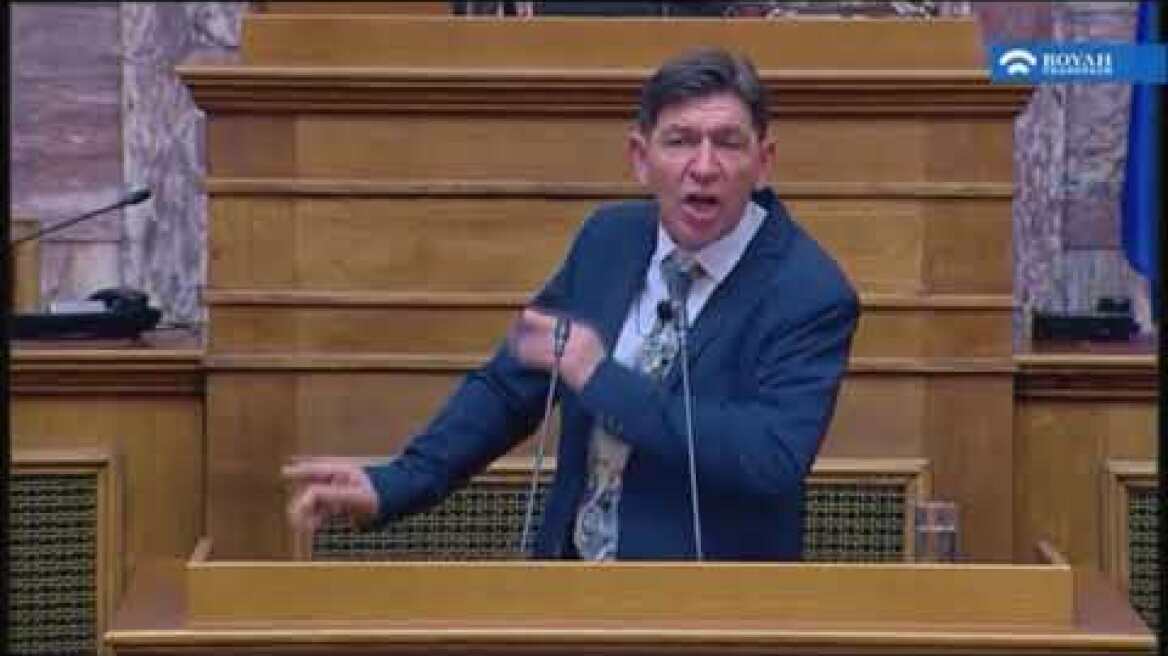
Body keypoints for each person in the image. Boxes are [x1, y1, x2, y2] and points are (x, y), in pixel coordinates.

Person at [284, 47, 859, 561]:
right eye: (680, 141)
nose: (704, 167)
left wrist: (599, 377)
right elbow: (511, 386)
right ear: (640, 157)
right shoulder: (609, 242)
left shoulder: (809, 291)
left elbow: (769, 458)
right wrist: (394, 483)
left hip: (710, 610)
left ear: (763, 161)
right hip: (571, 592)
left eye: (727, 143)